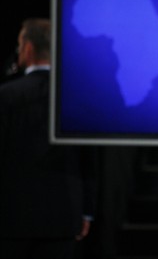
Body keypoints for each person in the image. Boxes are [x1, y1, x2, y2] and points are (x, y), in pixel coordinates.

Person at [0, 18, 96, 259]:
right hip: (64, 216)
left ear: (28, 48)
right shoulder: (77, 97)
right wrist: (87, 212)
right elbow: (91, 159)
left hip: (11, 217)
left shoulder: (6, 95)